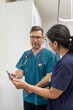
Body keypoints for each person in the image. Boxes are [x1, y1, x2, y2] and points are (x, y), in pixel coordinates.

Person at [12, 24, 73, 110]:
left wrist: (30, 87)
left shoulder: (57, 59)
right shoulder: (26, 55)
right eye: (32, 37)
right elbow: (20, 70)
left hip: (43, 99)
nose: (35, 40)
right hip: (28, 97)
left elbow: (50, 78)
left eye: (38, 37)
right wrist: (15, 75)